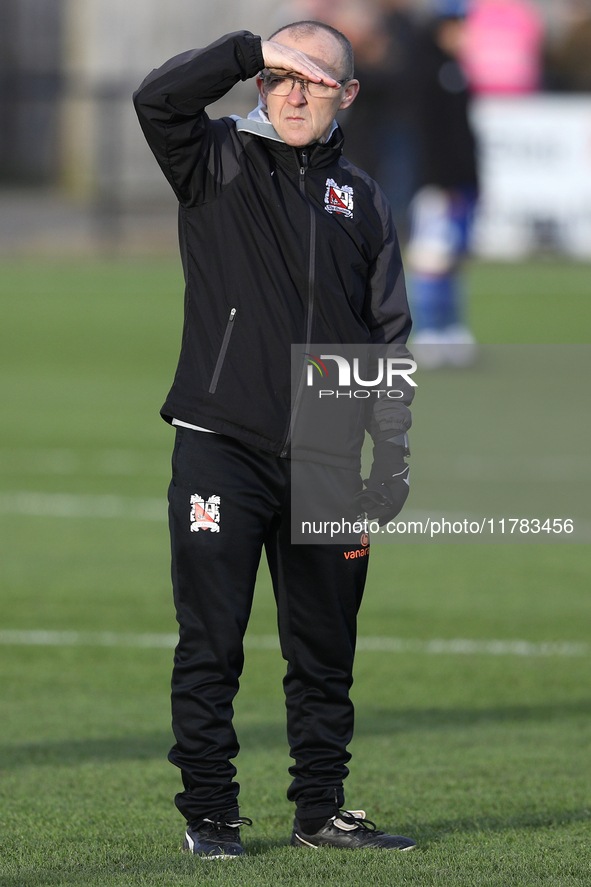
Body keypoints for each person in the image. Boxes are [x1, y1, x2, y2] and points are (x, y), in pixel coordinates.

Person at [133, 21, 415, 858]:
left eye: (314, 79)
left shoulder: (363, 198)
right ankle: (212, 814)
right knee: (213, 642)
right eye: (279, 78)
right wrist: (248, 50)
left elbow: (385, 336)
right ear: (259, 82)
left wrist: (391, 454)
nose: (292, 94)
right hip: (220, 441)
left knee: (325, 650)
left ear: (347, 96)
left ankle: (320, 812)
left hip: (329, 455)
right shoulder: (213, 159)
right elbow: (156, 97)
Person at [405, 0, 480, 368]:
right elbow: (426, 136)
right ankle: (431, 330)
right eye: (457, 23)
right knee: (432, 257)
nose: (464, 31)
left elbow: (465, 135)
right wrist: (437, 182)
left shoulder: (455, 69)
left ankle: (451, 327)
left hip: (461, 183)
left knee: (454, 258)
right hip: (436, 183)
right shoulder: (426, 70)